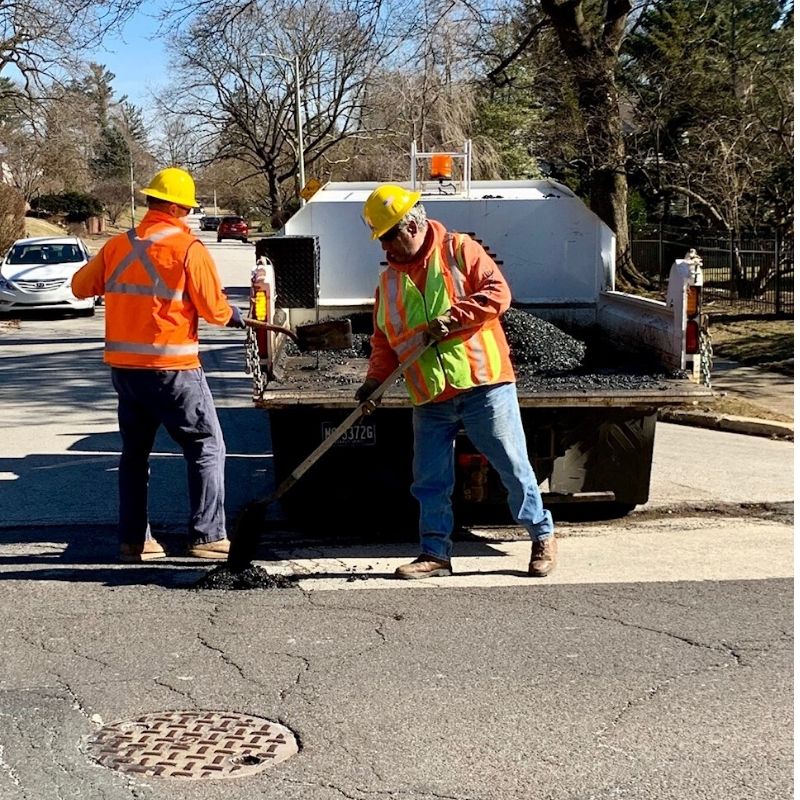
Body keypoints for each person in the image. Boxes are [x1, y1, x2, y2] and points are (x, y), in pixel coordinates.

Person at [356, 184, 556, 579]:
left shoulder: (459, 250)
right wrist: (373, 383)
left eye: (388, 238)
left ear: (410, 227)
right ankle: (435, 554)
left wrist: (452, 318)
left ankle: (542, 536)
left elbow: (499, 293)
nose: (385, 249)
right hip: (430, 394)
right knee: (429, 479)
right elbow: (384, 340)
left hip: (483, 385)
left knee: (513, 467)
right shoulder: (389, 283)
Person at [71, 167, 246, 563]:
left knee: (135, 455)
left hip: (126, 373)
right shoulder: (187, 248)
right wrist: (234, 314)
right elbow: (215, 311)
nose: (186, 215)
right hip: (173, 369)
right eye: (186, 208)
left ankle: (135, 542)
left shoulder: (117, 246)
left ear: (151, 202)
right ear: (177, 206)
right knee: (205, 446)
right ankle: (208, 536)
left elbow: (81, 287)